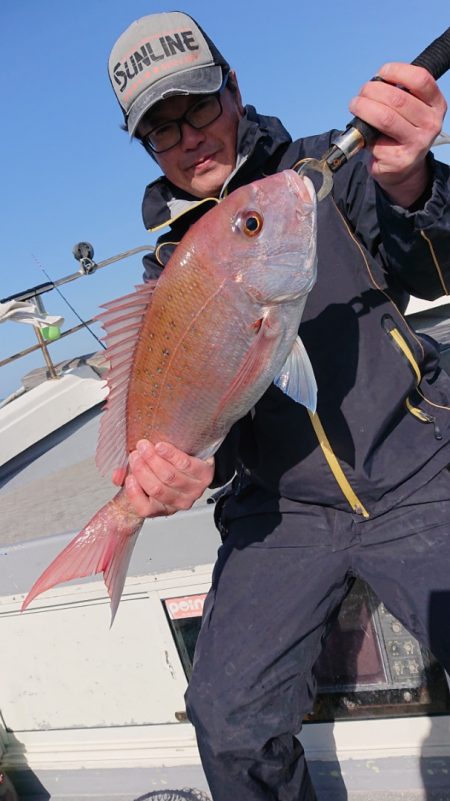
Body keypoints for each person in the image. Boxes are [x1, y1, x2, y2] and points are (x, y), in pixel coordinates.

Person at [109, 12, 450, 801]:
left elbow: (430, 266)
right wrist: (173, 473)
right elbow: (216, 436)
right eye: (161, 130)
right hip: (281, 514)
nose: (189, 137)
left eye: (197, 104)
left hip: (415, 464)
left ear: (233, 86)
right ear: (146, 150)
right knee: (226, 722)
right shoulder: (168, 272)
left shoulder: (326, 170)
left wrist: (414, 181)